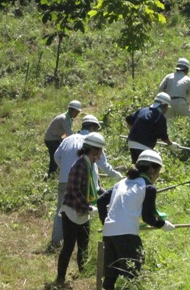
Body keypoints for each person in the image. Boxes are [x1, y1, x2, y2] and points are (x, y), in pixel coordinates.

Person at [97, 150, 175, 290]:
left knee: (110, 276)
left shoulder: (121, 183)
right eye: (158, 171)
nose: (157, 175)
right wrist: (163, 225)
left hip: (109, 233)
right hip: (127, 235)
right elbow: (147, 217)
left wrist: (106, 221)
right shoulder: (148, 187)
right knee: (132, 276)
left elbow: (101, 201)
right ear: (152, 169)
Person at [50, 115, 123, 248]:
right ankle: (81, 244)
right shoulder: (92, 142)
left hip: (64, 180)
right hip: (83, 183)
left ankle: (56, 241)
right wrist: (119, 177)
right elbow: (104, 165)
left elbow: (56, 157)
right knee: (84, 210)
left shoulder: (68, 139)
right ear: (92, 127)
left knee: (62, 210)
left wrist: (66, 169)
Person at [55, 132, 106, 285]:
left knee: (84, 245)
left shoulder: (92, 166)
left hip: (84, 210)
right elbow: (74, 190)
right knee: (69, 246)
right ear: (94, 150)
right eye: (100, 150)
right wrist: (88, 207)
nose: (102, 153)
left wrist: (110, 196)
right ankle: (60, 278)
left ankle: (82, 274)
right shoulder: (79, 165)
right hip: (71, 210)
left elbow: (96, 187)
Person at [125, 92, 178, 164]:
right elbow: (163, 137)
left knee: (136, 166)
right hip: (143, 145)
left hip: (131, 142)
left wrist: (134, 132)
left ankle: (129, 173)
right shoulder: (160, 117)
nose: (167, 109)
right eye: (167, 106)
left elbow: (129, 120)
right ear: (164, 105)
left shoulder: (142, 110)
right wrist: (171, 144)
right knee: (150, 168)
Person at [44, 100, 81, 178]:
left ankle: (56, 173)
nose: (77, 114)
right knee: (55, 157)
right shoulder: (64, 119)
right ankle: (51, 176)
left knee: (62, 155)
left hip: (57, 138)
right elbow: (70, 134)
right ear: (71, 110)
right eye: (76, 112)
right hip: (51, 139)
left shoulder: (69, 118)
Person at [158, 57, 190, 123]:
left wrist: (165, 99)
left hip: (168, 104)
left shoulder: (168, 76)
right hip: (181, 104)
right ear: (187, 69)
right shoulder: (188, 80)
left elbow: (160, 88)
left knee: (169, 125)